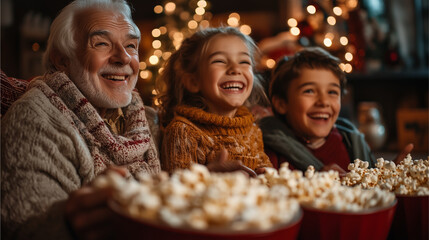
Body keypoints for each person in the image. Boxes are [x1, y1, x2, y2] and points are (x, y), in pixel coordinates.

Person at [1, 0, 161, 239]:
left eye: (131, 45)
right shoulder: (33, 120)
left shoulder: (149, 119)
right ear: (62, 60)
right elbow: (24, 229)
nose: (124, 58)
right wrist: (67, 221)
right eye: (102, 43)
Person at [259, 47, 413, 173]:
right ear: (281, 103)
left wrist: (388, 176)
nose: (324, 102)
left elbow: (372, 188)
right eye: (309, 91)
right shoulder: (269, 151)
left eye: (332, 92)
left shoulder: (351, 142)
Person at [156, 26, 272, 175]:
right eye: (219, 61)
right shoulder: (183, 132)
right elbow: (180, 190)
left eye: (244, 62)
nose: (235, 69)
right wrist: (211, 175)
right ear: (193, 81)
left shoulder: (253, 130)